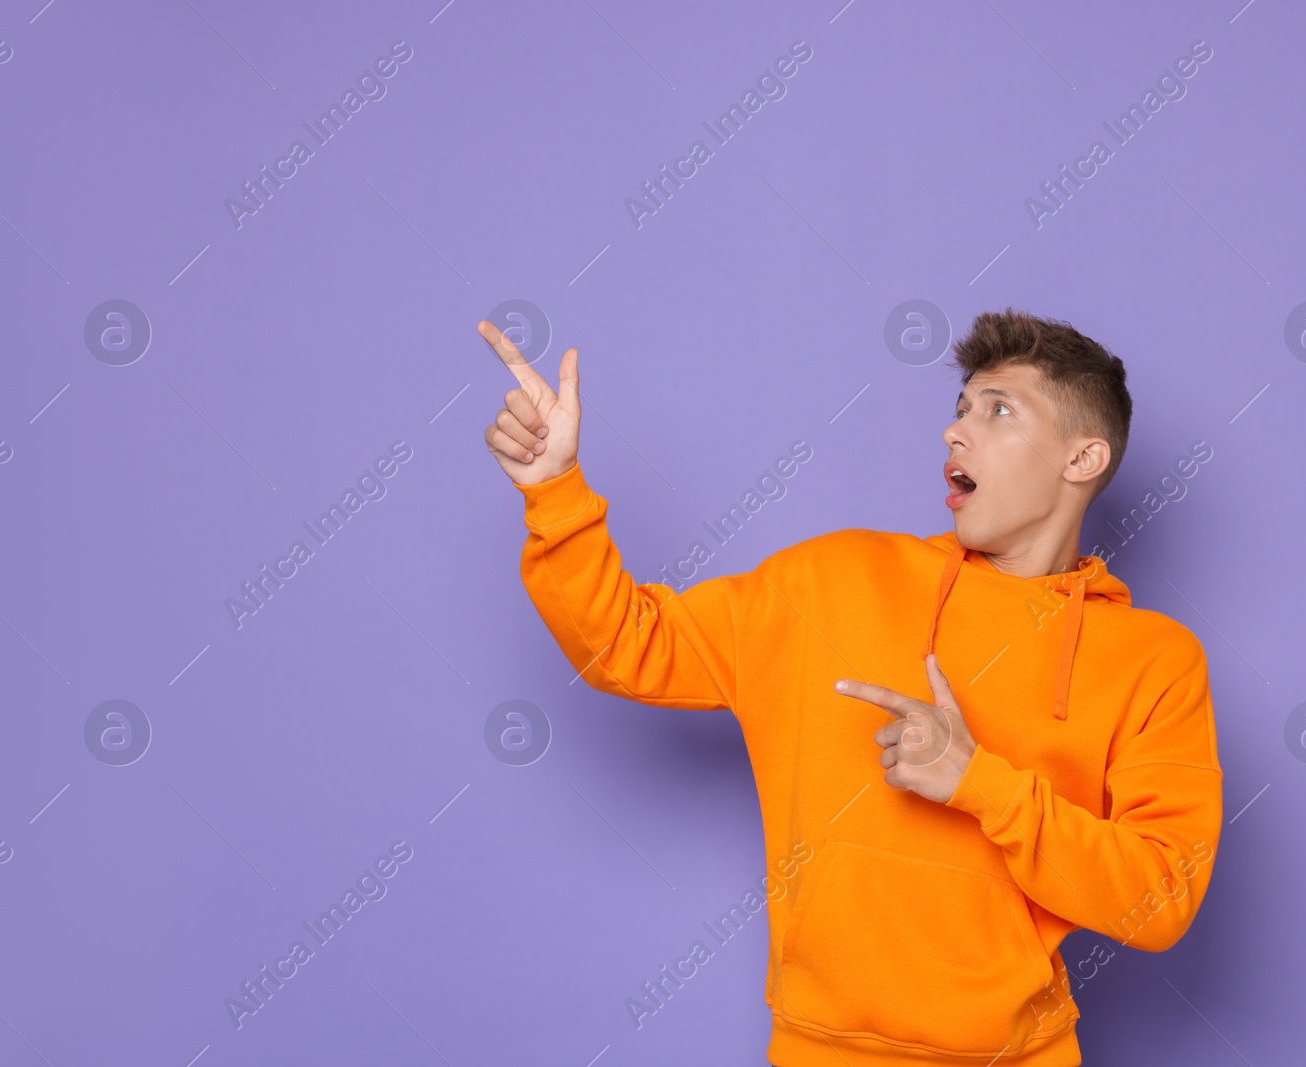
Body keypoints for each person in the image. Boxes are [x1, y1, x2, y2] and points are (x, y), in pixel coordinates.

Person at [480, 308, 1223, 1067]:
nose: (956, 430)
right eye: (960, 406)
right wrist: (556, 494)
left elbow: (1159, 900)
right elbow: (629, 644)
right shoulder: (832, 580)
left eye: (999, 409)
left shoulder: (1154, 659)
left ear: (1082, 457)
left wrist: (981, 785)